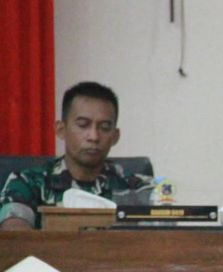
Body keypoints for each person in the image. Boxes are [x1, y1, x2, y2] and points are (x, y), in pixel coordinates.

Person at [0, 81, 152, 230]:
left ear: (115, 136)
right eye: (83, 125)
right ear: (61, 130)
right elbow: (16, 237)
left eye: (104, 128)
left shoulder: (138, 188)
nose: (93, 136)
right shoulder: (28, 183)